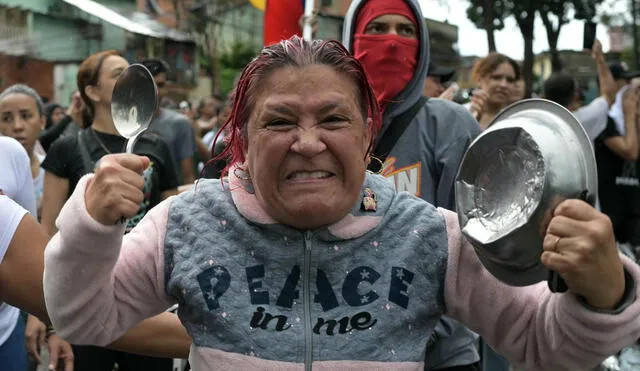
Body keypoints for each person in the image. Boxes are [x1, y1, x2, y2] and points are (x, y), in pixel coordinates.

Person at [43, 35, 640, 371]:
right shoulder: (186, 221)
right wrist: (91, 224)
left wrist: (603, 291)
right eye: (279, 121)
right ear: (242, 139)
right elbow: (82, 318)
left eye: (333, 118)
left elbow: (546, 344)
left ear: (366, 134)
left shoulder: (429, 233)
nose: (309, 142)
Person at [342, 1, 481, 369]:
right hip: (345, 346)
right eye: (377, 28)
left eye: (405, 31)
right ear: (351, 39)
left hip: (442, 353)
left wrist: (433, 329)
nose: (391, 43)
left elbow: (474, 242)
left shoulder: (449, 125)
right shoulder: (328, 127)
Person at [39, 49, 179, 371]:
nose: (128, 76)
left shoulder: (155, 146)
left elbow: (175, 222)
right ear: (92, 91)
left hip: (147, 295)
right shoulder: (68, 147)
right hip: (86, 292)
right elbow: (49, 235)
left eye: (131, 71)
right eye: (117, 73)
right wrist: (50, 321)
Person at [0, 84, 77, 370]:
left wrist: (49, 321)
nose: (17, 127)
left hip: (9, 325)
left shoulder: (11, 156)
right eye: (6, 118)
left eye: (25, 116)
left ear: (42, 120)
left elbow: (35, 253)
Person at [140, 58, 197, 184]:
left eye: (160, 85)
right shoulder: (125, 125)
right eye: (150, 83)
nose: (156, 91)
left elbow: (188, 175)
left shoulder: (180, 123)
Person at [470, 52, 521, 129]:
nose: (504, 85)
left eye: (510, 80)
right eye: (496, 77)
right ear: (479, 79)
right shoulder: (461, 114)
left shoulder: (519, 121)